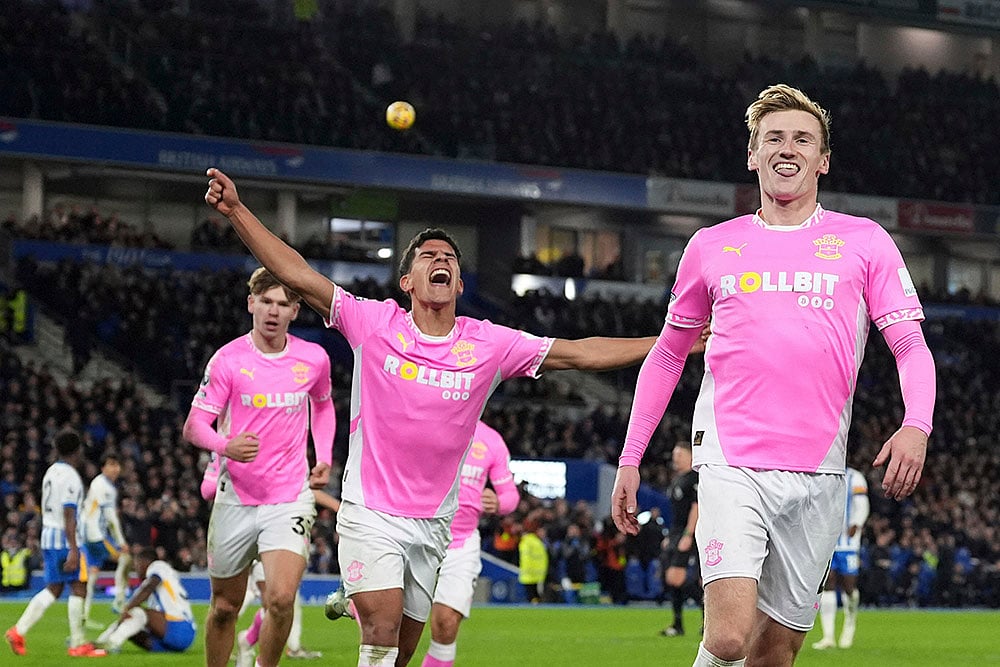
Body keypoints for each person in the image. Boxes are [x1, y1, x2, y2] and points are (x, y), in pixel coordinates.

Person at [204, 167, 656, 667]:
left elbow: (579, 353)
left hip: (433, 523)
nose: (440, 260)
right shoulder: (374, 323)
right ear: (407, 280)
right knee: (381, 626)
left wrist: (671, 343)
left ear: (459, 282)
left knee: (402, 650)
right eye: (428, 256)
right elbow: (296, 274)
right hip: (370, 510)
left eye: (449, 258)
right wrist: (237, 212)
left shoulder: (490, 344)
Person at [611, 83, 936, 667]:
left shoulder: (866, 243)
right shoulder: (711, 246)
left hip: (819, 474)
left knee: (774, 655)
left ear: (823, 159)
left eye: (803, 139)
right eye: (774, 138)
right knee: (730, 636)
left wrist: (918, 424)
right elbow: (667, 355)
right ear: (753, 155)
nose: (788, 148)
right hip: (730, 461)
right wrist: (631, 458)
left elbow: (909, 343)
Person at [182, 266, 336, 667]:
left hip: (289, 497)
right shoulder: (228, 360)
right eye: (266, 301)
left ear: (295, 311)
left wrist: (323, 457)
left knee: (281, 599)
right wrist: (224, 445)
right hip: (235, 497)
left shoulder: (313, 359)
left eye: (283, 304)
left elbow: (322, 406)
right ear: (251, 303)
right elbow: (194, 425)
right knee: (225, 608)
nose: (273, 311)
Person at [420, 420, 519, 667]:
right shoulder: (430, 424)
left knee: (447, 622)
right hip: (418, 533)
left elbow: (510, 495)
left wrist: (498, 502)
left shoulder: (491, 440)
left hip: (462, 542)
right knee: (392, 624)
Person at [5, 429, 107, 658]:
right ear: (77, 450)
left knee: (54, 588)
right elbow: (69, 514)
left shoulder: (51, 472)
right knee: (79, 584)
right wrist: (73, 549)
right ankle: (78, 644)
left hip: (48, 535)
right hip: (64, 538)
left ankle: (18, 630)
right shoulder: (70, 476)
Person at [234, 488, 342, 666]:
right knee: (274, 605)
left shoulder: (294, 477)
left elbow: (309, 489)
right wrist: (339, 507)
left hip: (292, 544)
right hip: (267, 542)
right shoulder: (270, 478)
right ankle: (254, 646)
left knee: (284, 605)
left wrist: (339, 508)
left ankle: (250, 640)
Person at [94, 547, 196, 654]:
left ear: (144, 562)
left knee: (137, 612)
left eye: (137, 564)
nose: (135, 569)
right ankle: (101, 643)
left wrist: (128, 609)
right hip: (176, 635)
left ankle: (111, 644)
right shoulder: (162, 582)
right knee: (130, 623)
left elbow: (148, 588)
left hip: (180, 628)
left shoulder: (157, 566)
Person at [812, 466, 870, 650]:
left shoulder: (855, 477)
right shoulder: (821, 473)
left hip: (848, 543)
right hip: (827, 540)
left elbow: (862, 504)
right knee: (827, 583)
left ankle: (850, 623)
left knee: (849, 586)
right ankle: (828, 636)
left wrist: (857, 523)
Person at [81, 452, 131, 626]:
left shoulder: (98, 483)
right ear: (103, 468)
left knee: (92, 575)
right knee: (125, 559)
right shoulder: (105, 487)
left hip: (87, 534)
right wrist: (121, 542)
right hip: (97, 536)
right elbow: (111, 518)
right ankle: (119, 600)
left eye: (117, 465)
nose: (115, 468)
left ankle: (84, 617)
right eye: (111, 464)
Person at [660, 441, 701, 638]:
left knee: (677, 578)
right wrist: (671, 535)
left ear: (691, 456)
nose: (676, 459)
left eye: (680, 455)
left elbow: (696, 507)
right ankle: (678, 625)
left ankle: (707, 616)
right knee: (671, 579)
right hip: (676, 532)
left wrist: (688, 534)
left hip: (688, 532)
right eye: (675, 455)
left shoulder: (695, 478)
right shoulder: (678, 479)